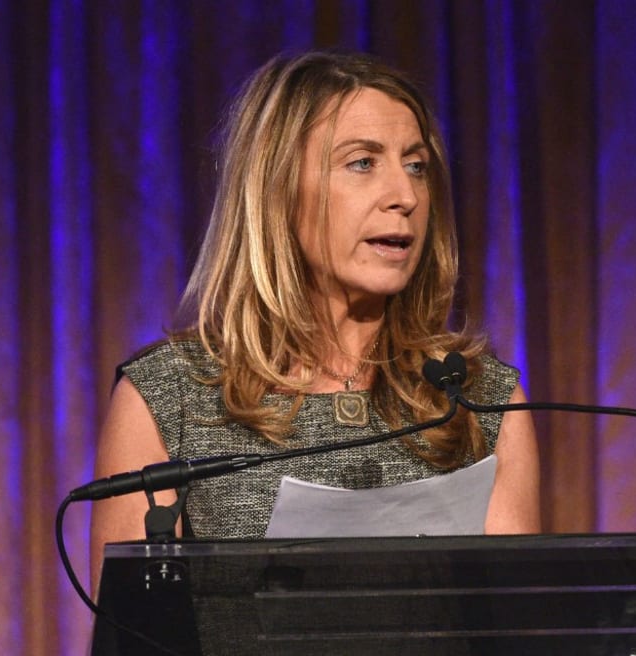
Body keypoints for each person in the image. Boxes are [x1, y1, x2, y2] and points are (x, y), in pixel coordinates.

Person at [89, 50, 540, 597]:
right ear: (278, 188)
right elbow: (132, 635)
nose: (405, 196)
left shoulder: (480, 398)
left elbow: (516, 630)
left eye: (416, 166)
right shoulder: (170, 398)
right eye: (362, 162)